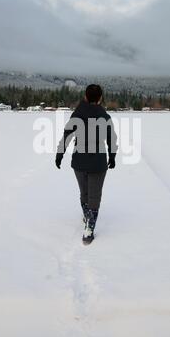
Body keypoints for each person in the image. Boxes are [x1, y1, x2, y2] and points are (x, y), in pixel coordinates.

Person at [55, 84, 118, 245]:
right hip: (98, 161)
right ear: (100, 98)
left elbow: (67, 136)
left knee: (84, 193)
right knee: (94, 196)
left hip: (79, 161)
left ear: (85, 96)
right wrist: (112, 156)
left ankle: (87, 216)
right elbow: (112, 138)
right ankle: (89, 229)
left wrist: (59, 154)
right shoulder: (104, 116)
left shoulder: (77, 114)